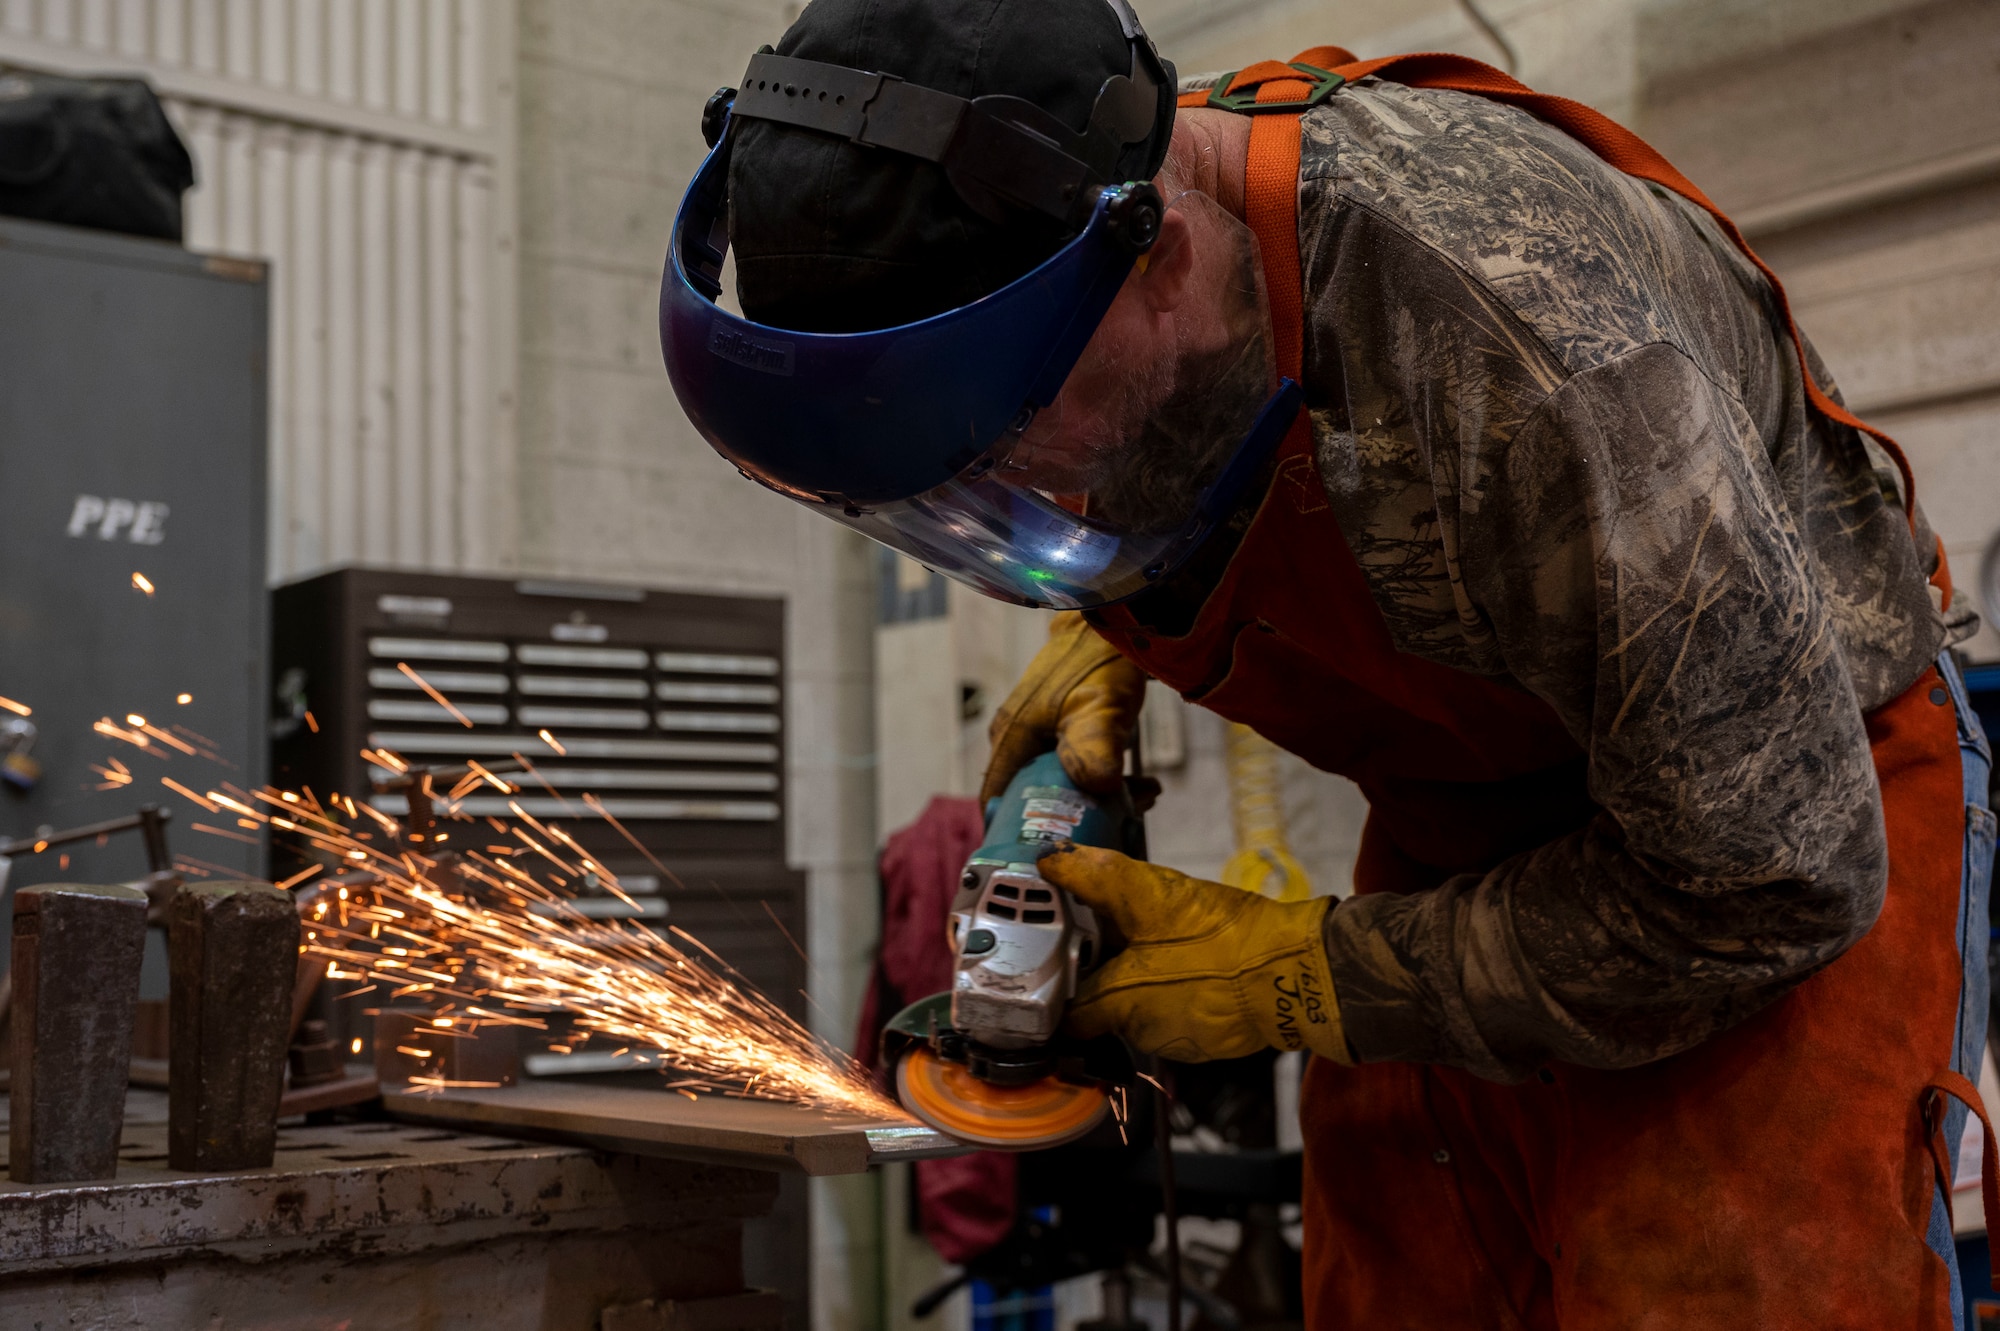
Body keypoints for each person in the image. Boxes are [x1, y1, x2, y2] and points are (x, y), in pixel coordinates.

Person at [659, 0, 1996, 1324]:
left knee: (1714, 1292)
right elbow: (1184, 454)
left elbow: (1773, 880)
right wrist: (1109, 612)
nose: (1021, 506)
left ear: (1162, 255)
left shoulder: (1526, 336)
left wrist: (1296, 976)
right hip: (1457, 825)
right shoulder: (1100, 231)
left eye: (1010, 449)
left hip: (1773, 838)